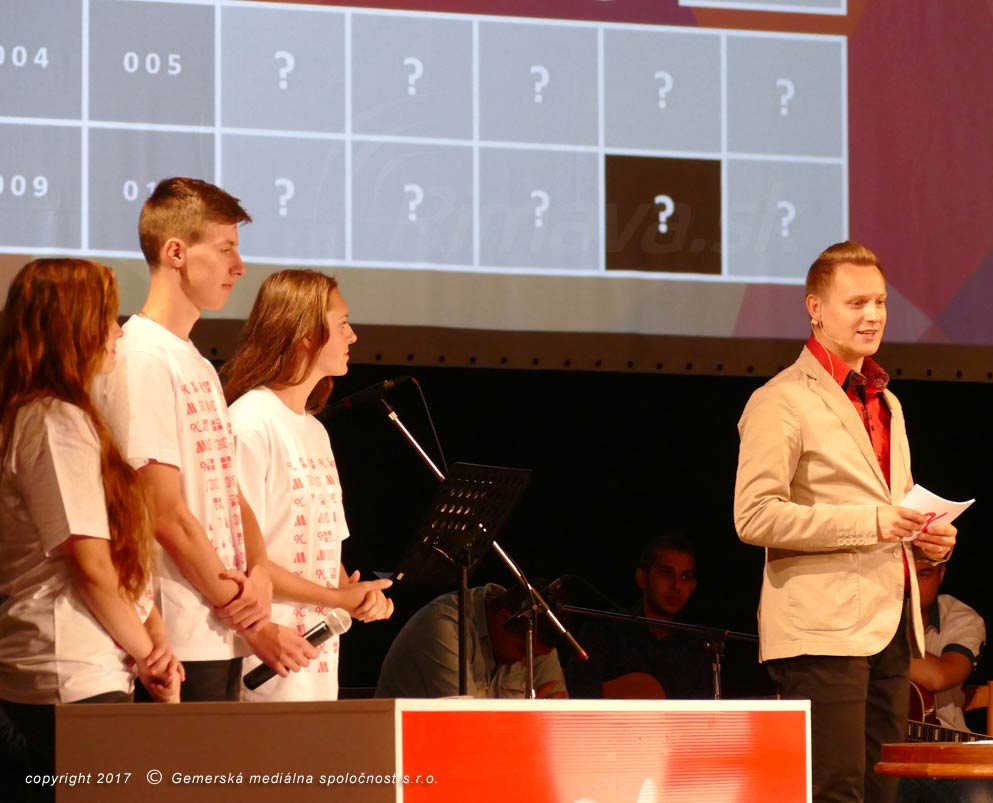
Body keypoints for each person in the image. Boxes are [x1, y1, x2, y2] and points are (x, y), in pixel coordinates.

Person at [733, 241, 957, 803]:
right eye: (856, 303)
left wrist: (930, 540)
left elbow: (893, 508)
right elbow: (754, 515)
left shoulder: (888, 403)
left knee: (882, 790)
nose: (873, 315)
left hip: (889, 625)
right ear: (815, 308)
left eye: (880, 302)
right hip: (821, 627)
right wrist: (874, 522)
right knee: (836, 791)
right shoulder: (781, 400)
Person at [95, 177, 316, 702]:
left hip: (218, 630)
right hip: (176, 636)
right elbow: (162, 510)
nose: (239, 267)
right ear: (176, 253)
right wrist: (252, 620)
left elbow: (228, 491)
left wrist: (259, 571)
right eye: (225, 249)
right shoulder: (141, 356)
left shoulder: (195, 361)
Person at [0, 259, 183, 798]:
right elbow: (89, 564)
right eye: (107, 318)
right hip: (67, 669)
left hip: (91, 666)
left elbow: (116, 560)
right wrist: (150, 655)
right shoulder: (51, 419)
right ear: (73, 327)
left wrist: (153, 635)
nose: (117, 332)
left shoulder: (63, 415)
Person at [220, 269, 394, 701]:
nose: (352, 336)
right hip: (263, 659)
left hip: (315, 664)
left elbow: (325, 547)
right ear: (305, 336)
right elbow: (244, 559)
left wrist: (355, 594)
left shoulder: (315, 431)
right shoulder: (250, 422)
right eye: (342, 324)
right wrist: (338, 598)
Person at [899, 558, 993, 803]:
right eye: (905, 575)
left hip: (944, 746)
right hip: (874, 750)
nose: (911, 586)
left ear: (941, 574)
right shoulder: (866, 616)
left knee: (982, 797)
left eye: (923, 574)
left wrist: (877, 644)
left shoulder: (961, 618)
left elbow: (941, 676)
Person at [566, 534, 714, 699]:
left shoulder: (699, 644)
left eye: (685, 577)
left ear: (693, 586)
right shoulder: (604, 629)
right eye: (667, 573)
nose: (677, 585)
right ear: (642, 578)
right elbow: (577, 695)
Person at [375, 582, 568, 699]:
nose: (526, 662)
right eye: (521, 650)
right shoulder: (445, 625)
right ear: (503, 619)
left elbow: (555, 719)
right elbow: (466, 725)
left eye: (535, 657)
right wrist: (528, 721)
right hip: (410, 749)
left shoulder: (536, 635)